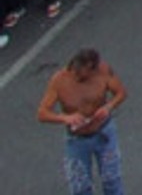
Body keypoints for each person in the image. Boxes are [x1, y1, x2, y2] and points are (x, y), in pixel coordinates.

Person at [37, 49, 127, 195]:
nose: (78, 77)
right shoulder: (59, 80)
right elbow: (42, 113)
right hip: (77, 139)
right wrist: (65, 118)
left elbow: (121, 93)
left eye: (83, 75)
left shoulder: (103, 71)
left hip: (104, 132)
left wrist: (108, 107)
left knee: (112, 180)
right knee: (79, 186)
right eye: (76, 73)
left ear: (92, 68)